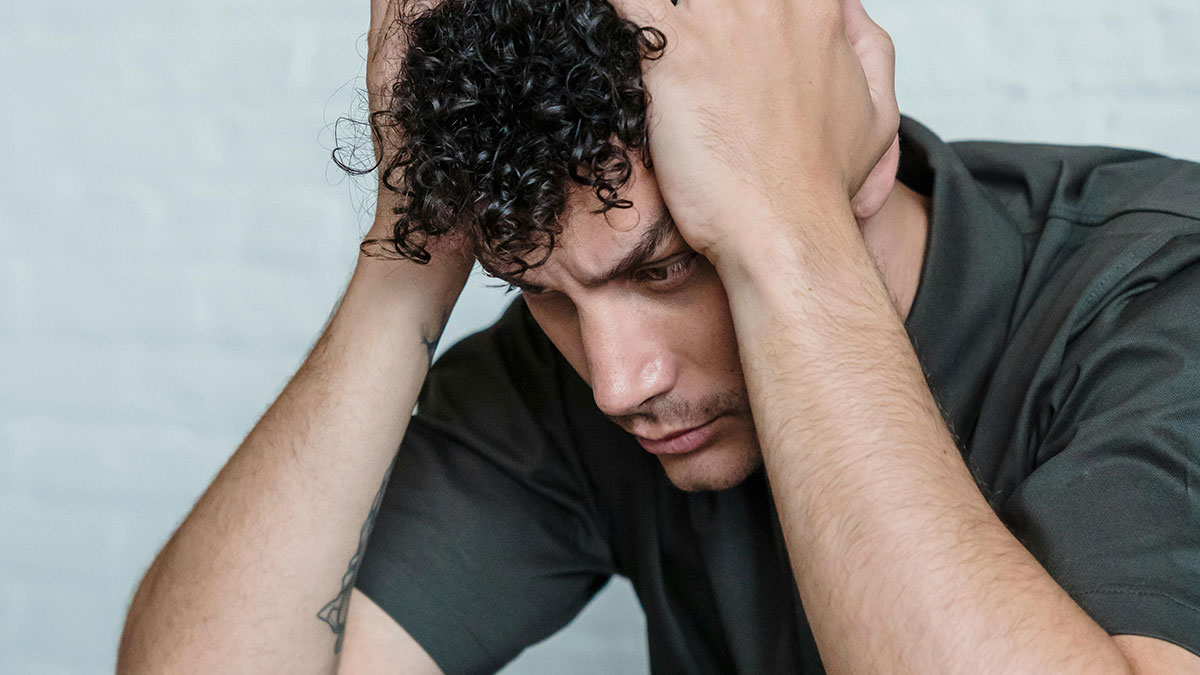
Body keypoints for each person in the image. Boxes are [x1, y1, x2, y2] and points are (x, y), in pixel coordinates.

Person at [117, 0, 1200, 672]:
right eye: (537, 291)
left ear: (846, 155)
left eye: (666, 267)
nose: (616, 382)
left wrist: (790, 239)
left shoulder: (1155, 294)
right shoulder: (567, 374)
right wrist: (412, 249)